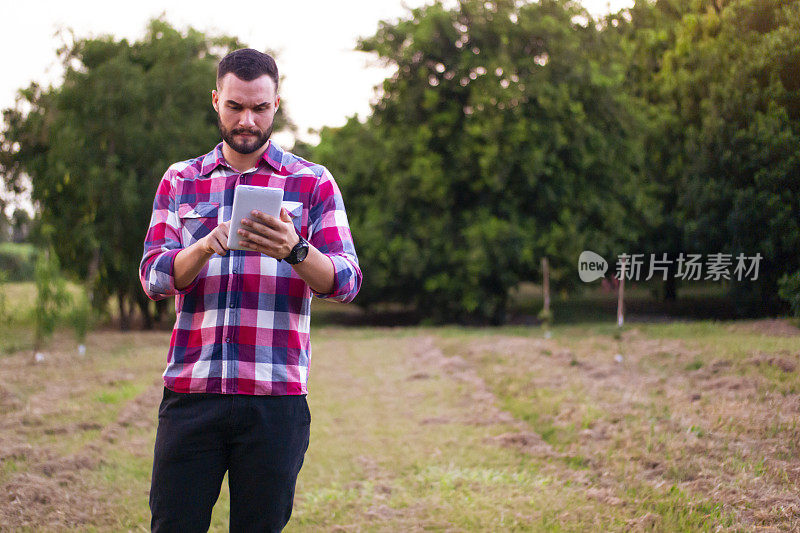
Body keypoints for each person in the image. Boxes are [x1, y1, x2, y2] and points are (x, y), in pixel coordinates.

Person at [138, 48, 361, 532]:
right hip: (192, 394)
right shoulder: (180, 180)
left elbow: (346, 281)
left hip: (274, 398)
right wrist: (201, 248)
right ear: (216, 100)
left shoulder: (313, 182)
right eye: (236, 106)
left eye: (259, 108)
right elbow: (153, 276)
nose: (247, 119)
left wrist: (295, 250)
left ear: (276, 104)